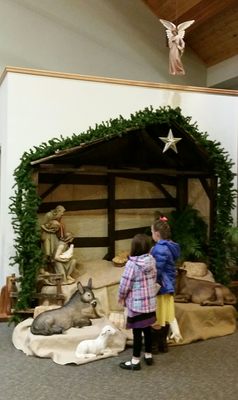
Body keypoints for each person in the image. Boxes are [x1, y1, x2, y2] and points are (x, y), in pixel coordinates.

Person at [118, 233, 157, 371]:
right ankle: (148, 355)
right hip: (150, 304)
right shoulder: (152, 261)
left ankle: (135, 361)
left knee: (137, 332)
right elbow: (154, 279)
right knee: (147, 329)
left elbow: (125, 284)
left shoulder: (131, 264)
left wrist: (121, 297)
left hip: (136, 304)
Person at [150, 216, 180, 353]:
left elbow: (157, 269)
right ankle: (163, 344)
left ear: (157, 234)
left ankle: (154, 345)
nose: (152, 236)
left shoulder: (159, 249)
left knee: (157, 317)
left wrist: (151, 282)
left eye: (151, 233)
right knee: (166, 316)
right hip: (169, 286)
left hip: (161, 287)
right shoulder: (172, 246)